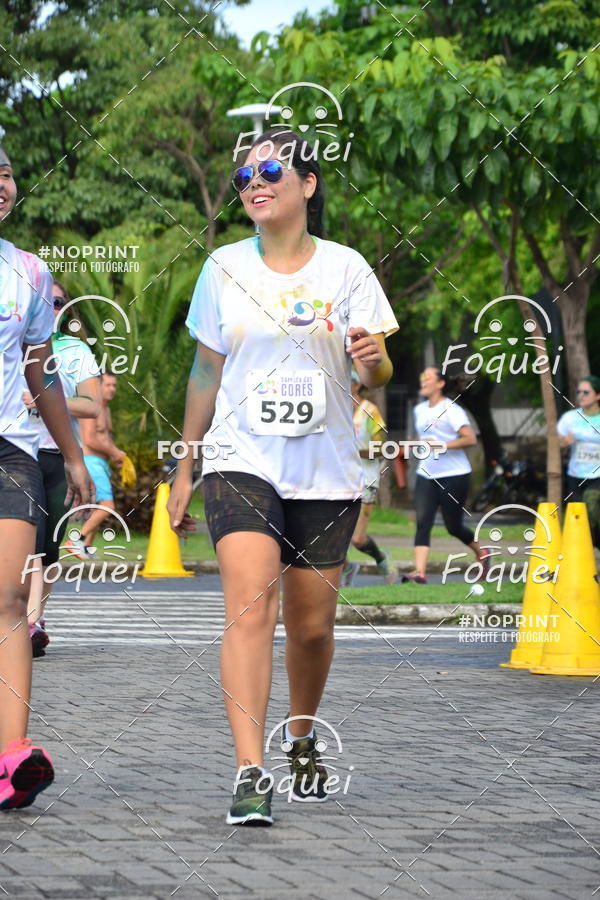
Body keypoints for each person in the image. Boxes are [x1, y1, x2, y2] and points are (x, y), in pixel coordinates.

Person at [167, 130, 397, 826]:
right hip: (243, 459)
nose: (254, 182)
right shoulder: (223, 267)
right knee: (249, 609)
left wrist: (374, 358)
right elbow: (206, 372)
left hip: (325, 466)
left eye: (270, 169)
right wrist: (186, 462)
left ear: (308, 184)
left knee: (312, 628)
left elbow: (377, 373)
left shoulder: (347, 269)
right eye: (243, 174)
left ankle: (299, 737)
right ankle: (249, 771)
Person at [0, 145, 93, 810]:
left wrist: (76, 453)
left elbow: (44, 372)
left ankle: (12, 758)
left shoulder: (29, 272)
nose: (1, 184)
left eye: (4, 171)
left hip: (11, 449)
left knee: (6, 601)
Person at [23, 280, 101, 656]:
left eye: (56, 303)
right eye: (42, 301)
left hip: (56, 454)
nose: (49, 308)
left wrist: (47, 400)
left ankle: (36, 617)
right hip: (17, 452)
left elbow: (91, 405)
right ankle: (28, 623)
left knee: (49, 549)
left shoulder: (74, 350)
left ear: (66, 310)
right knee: (30, 545)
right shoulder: (12, 344)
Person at [402, 366, 489, 584]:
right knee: (423, 521)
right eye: (422, 377)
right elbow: (421, 439)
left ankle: (482, 552)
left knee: (453, 526)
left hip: (455, 474)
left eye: (428, 377)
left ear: (440, 383)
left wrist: (442, 445)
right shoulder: (419, 410)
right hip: (426, 474)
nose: (423, 381)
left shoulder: (452, 409)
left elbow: (470, 439)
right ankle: (419, 573)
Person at [341, 371, 395, 586]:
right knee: (334, 535)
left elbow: (381, 447)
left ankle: (382, 559)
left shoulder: (370, 411)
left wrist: (354, 451)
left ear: (356, 385)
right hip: (340, 479)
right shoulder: (337, 409)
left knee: (357, 539)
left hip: (366, 479)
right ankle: (346, 568)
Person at [69, 370, 126, 557]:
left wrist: (116, 457)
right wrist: (115, 453)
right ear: (97, 387)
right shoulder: (91, 408)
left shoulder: (105, 410)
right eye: (107, 385)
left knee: (97, 508)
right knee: (107, 506)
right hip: (90, 461)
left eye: (114, 385)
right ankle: (76, 540)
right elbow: (90, 439)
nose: (112, 389)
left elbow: (105, 439)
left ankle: (85, 547)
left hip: (101, 462)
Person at [557, 375, 600, 548]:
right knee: (576, 514)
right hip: (576, 474)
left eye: (586, 392)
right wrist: (564, 442)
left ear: (598, 396)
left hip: (598, 474)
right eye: (578, 392)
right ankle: (583, 551)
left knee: (591, 505)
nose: (581, 395)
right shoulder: (569, 418)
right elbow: (558, 439)